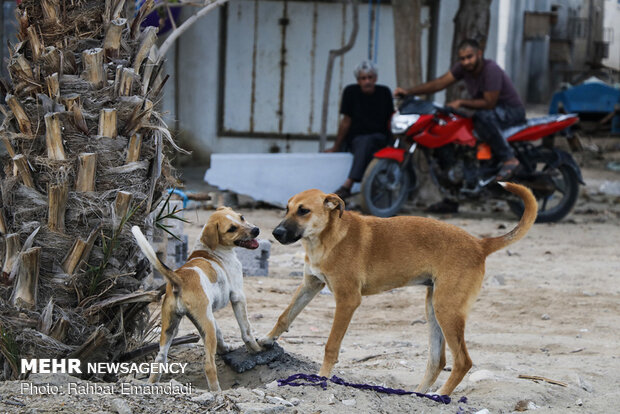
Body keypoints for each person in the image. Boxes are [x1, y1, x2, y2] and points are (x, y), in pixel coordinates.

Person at [394, 39, 526, 212]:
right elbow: (440, 83)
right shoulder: (462, 69)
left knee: (482, 117)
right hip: (489, 111)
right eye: (462, 58)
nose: (465, 62)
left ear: (479, 54)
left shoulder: (490, 69)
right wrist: (409, 91)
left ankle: (509, 158)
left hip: (510, 111)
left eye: (469, 57)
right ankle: (452, 197)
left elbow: (489, 103)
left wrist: (461, 101)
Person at [326, 60, 394, 200]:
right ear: (358, 80)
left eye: (370, 77)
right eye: (363, 78)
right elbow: (346, 121)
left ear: (375, 79)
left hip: (379, 138)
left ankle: (347, 186)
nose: (367, 81)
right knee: (364, 142)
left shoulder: (384, 92)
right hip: (356, 139)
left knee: (368, 141)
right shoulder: (350, 92)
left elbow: (390, 119)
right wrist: (336, 146)